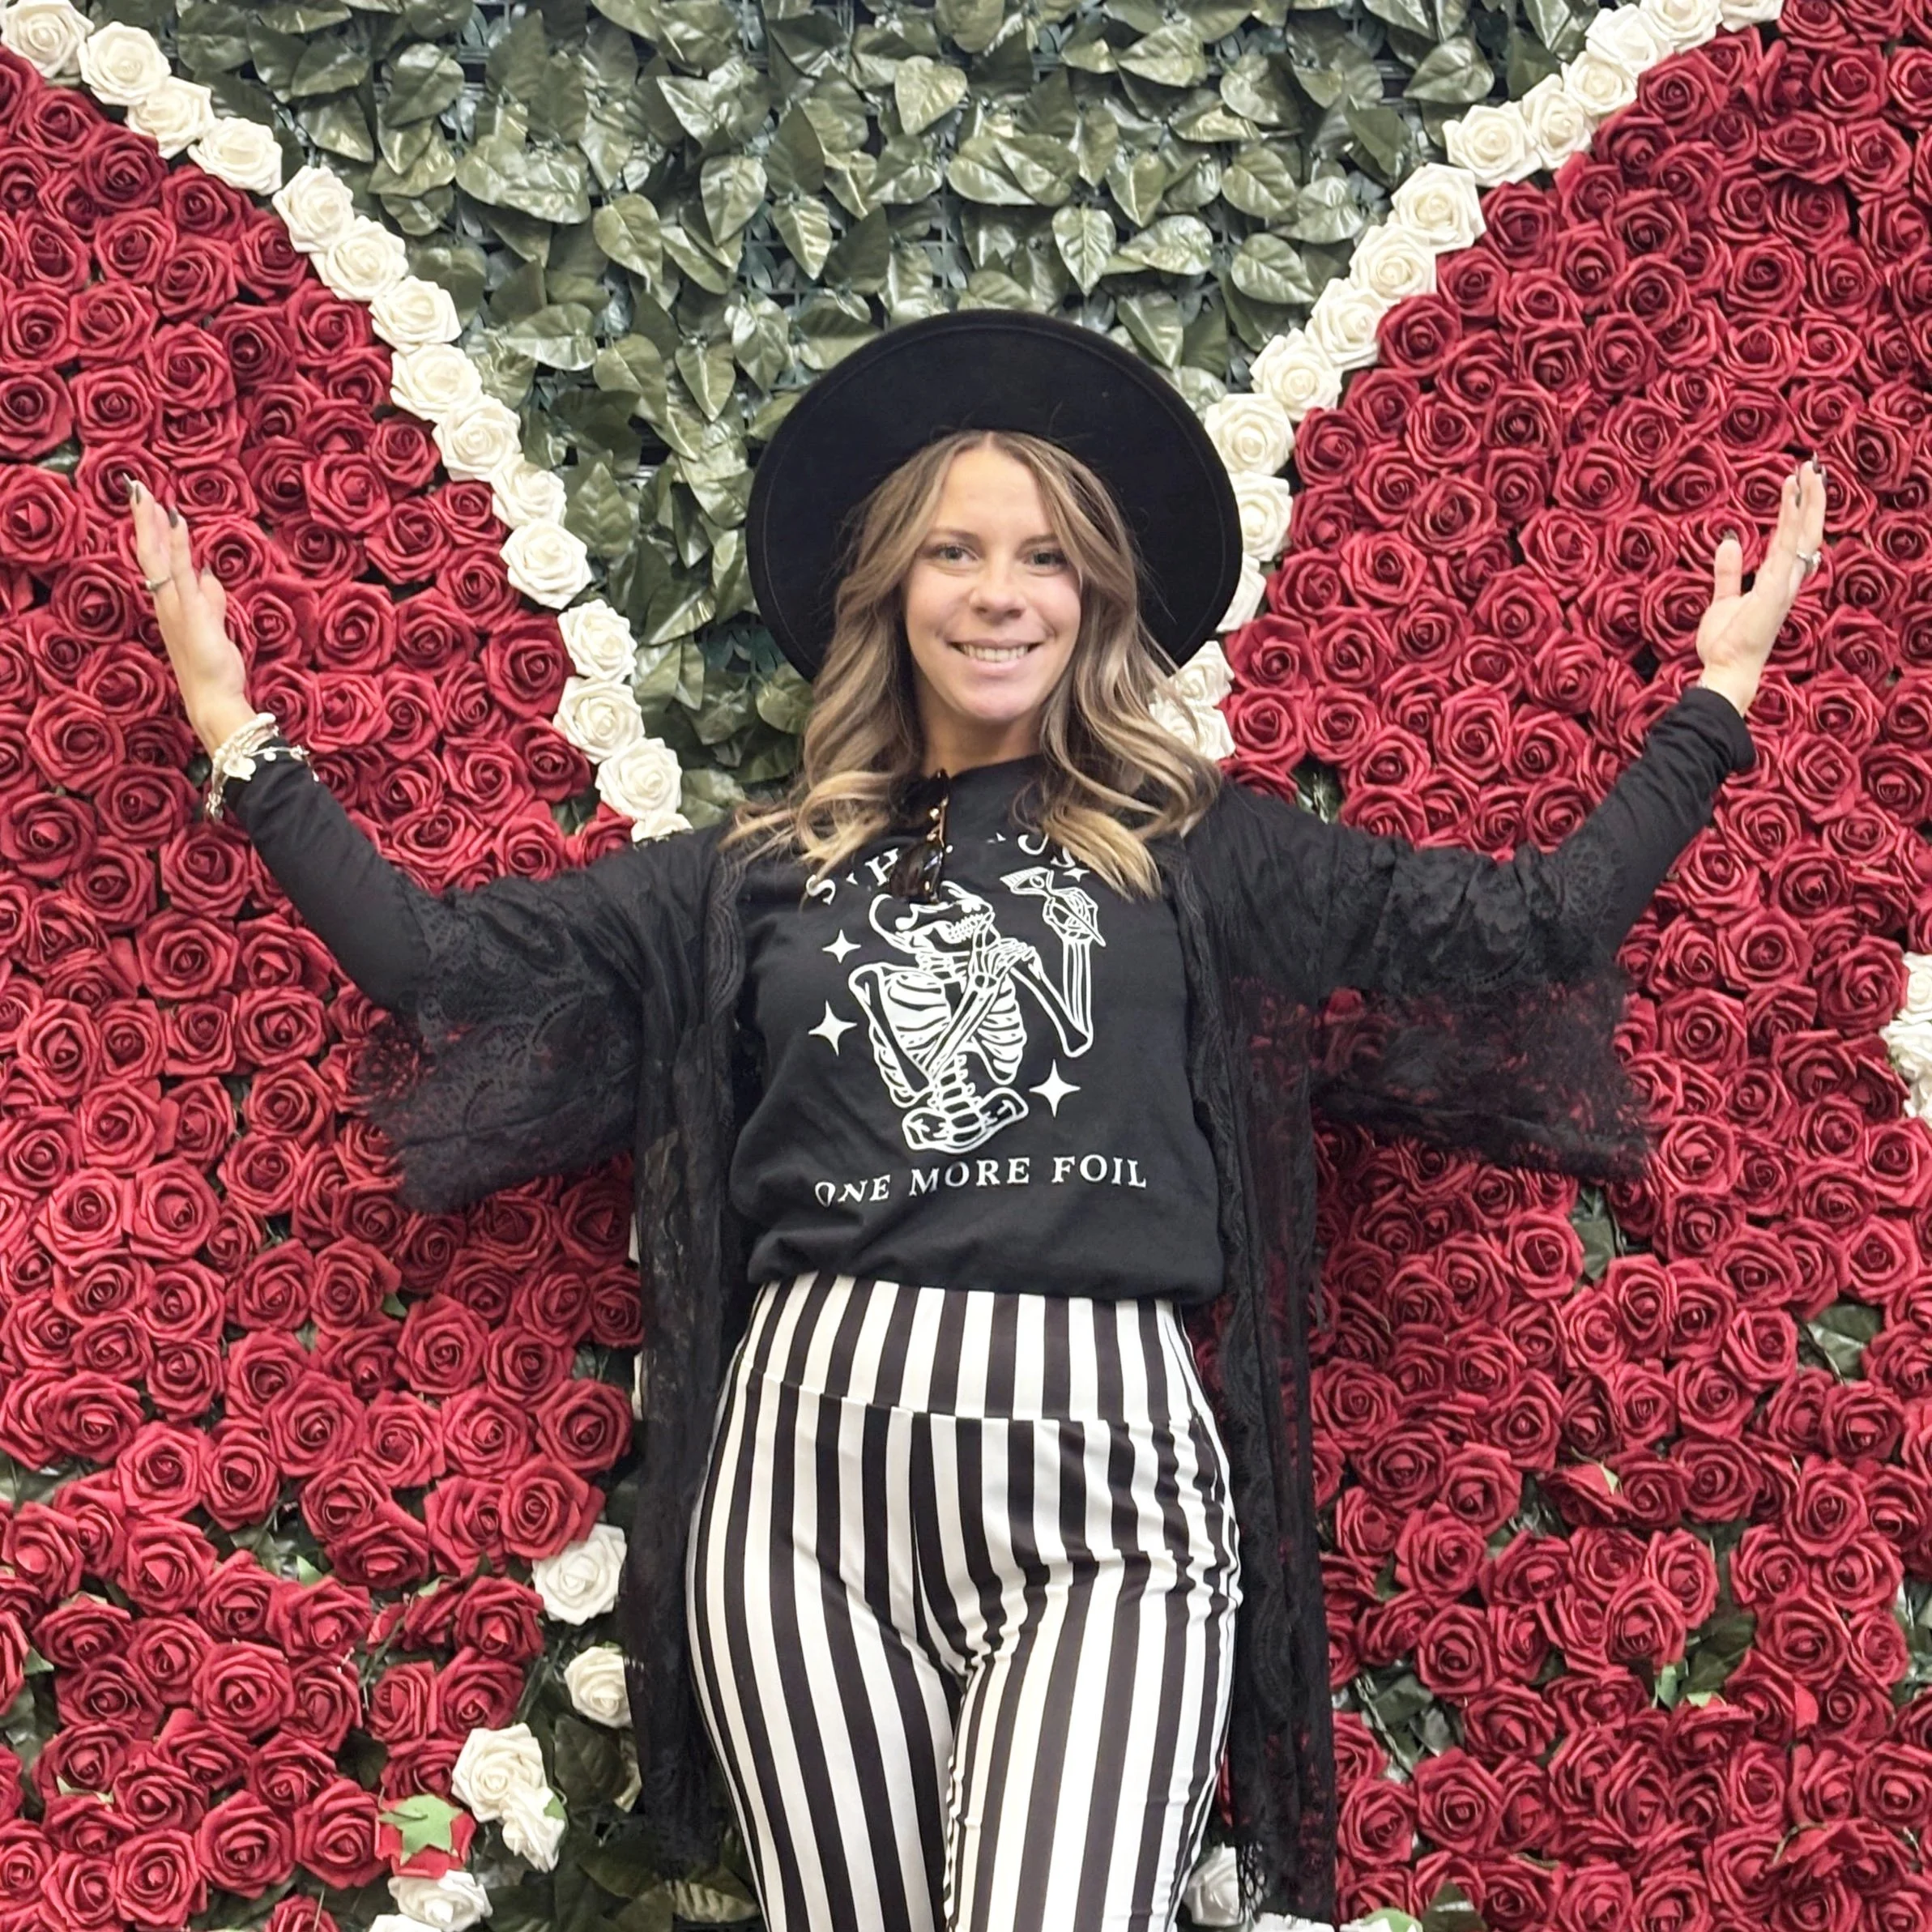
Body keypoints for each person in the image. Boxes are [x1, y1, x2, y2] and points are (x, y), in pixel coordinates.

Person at [131, 309, 1827, 1932]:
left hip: (1105, 1490)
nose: (998, 592)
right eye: (955, 550)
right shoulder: (755, 871)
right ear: (889, 590)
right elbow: (442, 965)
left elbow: (1523, 934)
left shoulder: (1205, 848)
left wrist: (1713, 705)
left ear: (1096, 595)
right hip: (801, 1495)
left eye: (1041, 555)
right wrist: (237, 736)